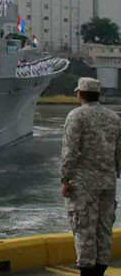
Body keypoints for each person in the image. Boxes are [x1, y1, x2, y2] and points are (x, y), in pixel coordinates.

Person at [61, 77, 121, 276]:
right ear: (98, 94)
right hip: (108, 181)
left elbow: (70, 151)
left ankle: (87, 271)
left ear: (80, 94)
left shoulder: (76, 116)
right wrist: (115, 172)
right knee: (104, 229)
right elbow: (118, 150)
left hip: (83, 184)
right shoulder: (113, 117)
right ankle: (100, 271)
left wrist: (65, 179)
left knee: (84, 229)